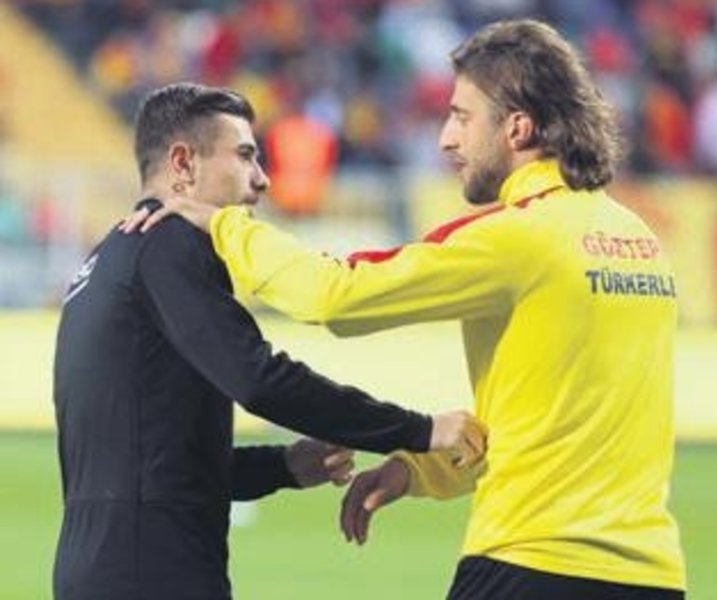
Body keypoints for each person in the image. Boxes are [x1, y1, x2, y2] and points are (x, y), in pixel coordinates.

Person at [124, 19, 686, 600]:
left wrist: (225, 225)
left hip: (533, 563)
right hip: (652, 577)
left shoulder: (517, 236)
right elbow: (557, 423)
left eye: (462, 117)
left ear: (517, 127)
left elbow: (334, 295)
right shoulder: (638, 241)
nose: (446, 139)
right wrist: (415, 470)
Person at [53, 83, 486, 600]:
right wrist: (419, 430)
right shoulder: (169, 245)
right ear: (183, 163)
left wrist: (283, 467)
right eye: (244, 156)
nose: (261, 178)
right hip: (152, 572)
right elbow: (259, 378)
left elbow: (157, 466)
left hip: (107, 565)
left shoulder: (109, 257)